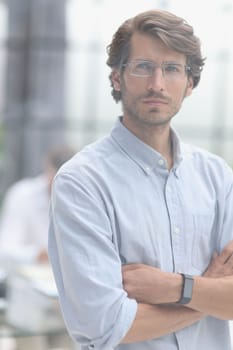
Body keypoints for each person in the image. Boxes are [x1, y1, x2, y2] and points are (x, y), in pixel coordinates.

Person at [48, 9, 233, 350]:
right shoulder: (82, 182)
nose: (157, 84)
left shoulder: (217, 176)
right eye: (143, 67)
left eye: (172, 69)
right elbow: (105, 326)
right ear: (117, 77)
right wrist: (209, 292)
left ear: (189, 83)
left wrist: (177, 288)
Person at [0, 144, 75, 268]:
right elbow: (5, 251)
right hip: (24, 281)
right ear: (47, 169)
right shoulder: (23, 195)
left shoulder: (80, 200)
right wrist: (38, 255)